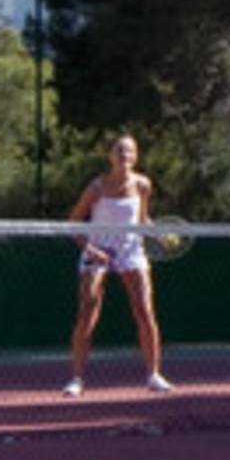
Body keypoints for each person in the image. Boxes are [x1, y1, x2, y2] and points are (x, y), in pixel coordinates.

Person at [62, 132, 172, 397]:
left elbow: (142, 218)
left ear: (135, 157)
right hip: (98, 250)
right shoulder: (97, 187)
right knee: (88, 312)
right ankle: (76, 379)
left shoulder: (143, 185)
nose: (124, 156)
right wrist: (91, 249)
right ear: (110, 157)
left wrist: (159, 233)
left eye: (129, 152)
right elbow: (74, 223)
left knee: (145, 312)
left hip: (131, 251)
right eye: (119, 151)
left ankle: (154, 375)